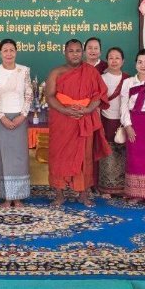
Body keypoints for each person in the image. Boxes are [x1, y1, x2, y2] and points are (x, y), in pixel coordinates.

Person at [45, 39, 109, 207]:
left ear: (83, 52)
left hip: (83, 119)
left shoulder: (91, 72)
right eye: (71, 51)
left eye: (78, 51)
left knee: (84, 158)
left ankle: (83, 194)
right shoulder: (56, 72)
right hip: (62, 121)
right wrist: (65, 110)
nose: (75, 54)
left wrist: (87, 110)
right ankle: (59, 195)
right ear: (65, 52)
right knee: (59, 157)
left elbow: (99, 95)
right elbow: (49, 96)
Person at [0, 40, 33, 206]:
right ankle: (6, 197)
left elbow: (29, 94)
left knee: (19, 157)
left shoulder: (24, 70)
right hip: (1, 119)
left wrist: (23, 115)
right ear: (0, 53)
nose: (8, 53)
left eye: (11, 50)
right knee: (3, 157)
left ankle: (19, 196)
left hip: (20, 118)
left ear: (16, 52)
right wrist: (1, 117)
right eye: (5, 50)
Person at [119, 49, 145, 202]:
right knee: (134, 158)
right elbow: (124, 105)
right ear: (135, 64)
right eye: (140, 62)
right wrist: (127, 125)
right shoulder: (128, 82)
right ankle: (135, 193)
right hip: (133, 123)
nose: (143, 65)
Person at [98, 47, 128, 196]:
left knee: (123, 154)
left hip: (123, 121)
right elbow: (97, 102)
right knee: (107, 154)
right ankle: (106, 188)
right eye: (111, 58)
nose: (114, 61)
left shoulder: (128, 79)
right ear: (107, 60)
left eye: (117, 58)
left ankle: (123, 188)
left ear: (123, 61)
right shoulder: (101, 78)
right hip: (105, 120)